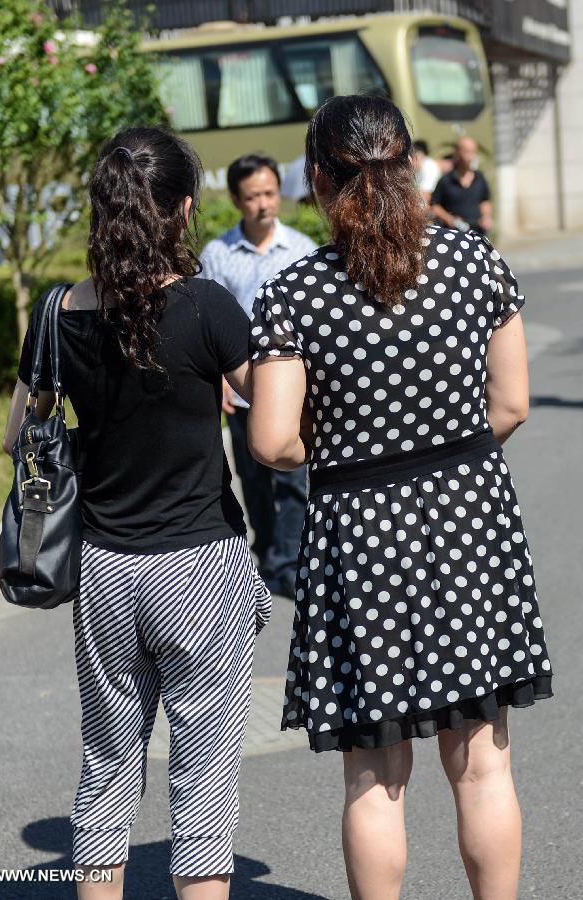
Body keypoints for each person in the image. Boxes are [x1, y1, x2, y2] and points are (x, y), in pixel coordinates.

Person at [247, 95, 553, 900]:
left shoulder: (298, 293)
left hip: (357, 526)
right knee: (482, 763)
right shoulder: (476, 261)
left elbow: (273, 442)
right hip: (469, 512)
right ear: (411, 161)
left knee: (374, 775)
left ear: (317, 178)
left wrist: (354, 452)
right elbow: (513, 403)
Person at [3, 126, 271, 900]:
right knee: (204, 779)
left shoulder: (58, 311)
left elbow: (21, 434)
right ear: (184, 211)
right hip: (199, 565)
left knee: (107, 765)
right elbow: (277, 415)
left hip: (104, 569)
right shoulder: (207, 308)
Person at [199, 153, 316, 596]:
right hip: (241, 390)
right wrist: (218, 383)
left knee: (290, 476)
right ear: (236, 199)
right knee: (252, 479)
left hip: (290, 390)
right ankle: (266, 552)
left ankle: (285, 562)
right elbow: (206, 325)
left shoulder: (302, 249)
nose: (263, 204)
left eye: (269, 194)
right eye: (252, 197)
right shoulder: (217, 255)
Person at [431, 135, 493, 234]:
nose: (471, 157)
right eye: (467, 152)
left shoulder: (480, 177)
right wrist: (449, 218)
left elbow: (485, 201)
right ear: (457, 152)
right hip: (455, 234)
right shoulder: (446, 180)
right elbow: (434, 205)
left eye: (474, 152)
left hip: (477, 232)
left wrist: (486, 217)